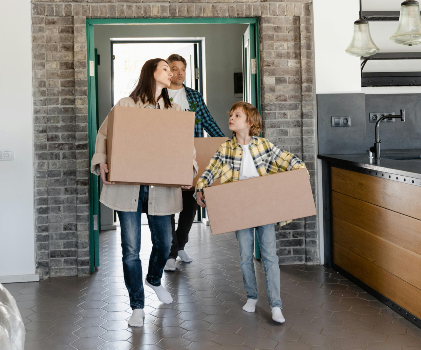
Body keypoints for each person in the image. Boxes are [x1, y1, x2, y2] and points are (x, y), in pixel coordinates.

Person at [90, 58, 198, 328]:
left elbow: (186, 146)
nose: (171, 72)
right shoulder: (125, 105)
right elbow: (104, 135)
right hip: (128, 189)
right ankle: (136, 305)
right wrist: (101, 161)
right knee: (130, 250)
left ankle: (153, 279)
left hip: (160, 189)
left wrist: (188, 170)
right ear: (151, 73)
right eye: (165, 68)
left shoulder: (173, 111)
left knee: (163, 243)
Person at [194, 101, 306, 324]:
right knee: (246, 257)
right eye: (231, 114)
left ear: (250, 122)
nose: (231, 118)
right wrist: (200, 187)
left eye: (237, 115)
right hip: (239, 206)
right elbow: (210, 170)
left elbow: (287, 159)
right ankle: (252, 297)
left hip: (263, 204)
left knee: (270, 256)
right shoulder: (225, 148)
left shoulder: (263, 145)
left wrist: (301, 172)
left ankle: (276, 305)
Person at [164, 53, 226, 272]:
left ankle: (180, 246)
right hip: (167, 157)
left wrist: (224, 142)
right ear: (167, 70)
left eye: (183, 69)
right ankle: (170, 253)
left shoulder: (193, 96)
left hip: (192, 157)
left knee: (190, 204)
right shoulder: (158, 96)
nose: (179, 73)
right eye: (174, 68)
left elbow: (208, 120)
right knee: (168, 204)